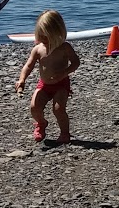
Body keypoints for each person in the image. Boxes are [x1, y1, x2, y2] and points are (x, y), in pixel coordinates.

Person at [16, 10, 80, 144]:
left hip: (61, 84)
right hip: (44, 85)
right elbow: (28, 66)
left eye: (45, 36)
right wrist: (22, 79)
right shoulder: (38, 49)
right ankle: (41, 123)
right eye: (40, 35)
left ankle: (64, 133)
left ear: (57, 33)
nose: (42, 39)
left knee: (58, 109)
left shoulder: (64, 48)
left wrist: (64, 73)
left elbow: (76, 62)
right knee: (34, 107)